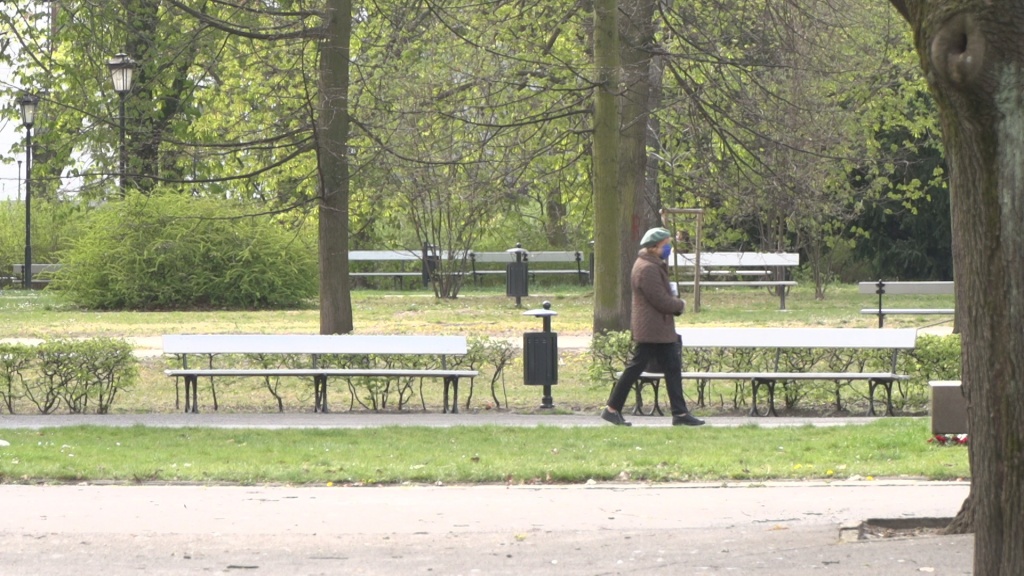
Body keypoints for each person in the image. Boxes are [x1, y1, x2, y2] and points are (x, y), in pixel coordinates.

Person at [600, 227, 705, 427]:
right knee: (636, 367)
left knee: (671, 367)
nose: (669, 249)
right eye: (666, 245)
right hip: (652, 329)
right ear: (654, 247)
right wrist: (679, 305)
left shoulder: (651, 264)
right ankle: (611, 409)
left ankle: (680, 414)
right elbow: (660, 300)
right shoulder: (647, 268)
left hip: (657, 328)